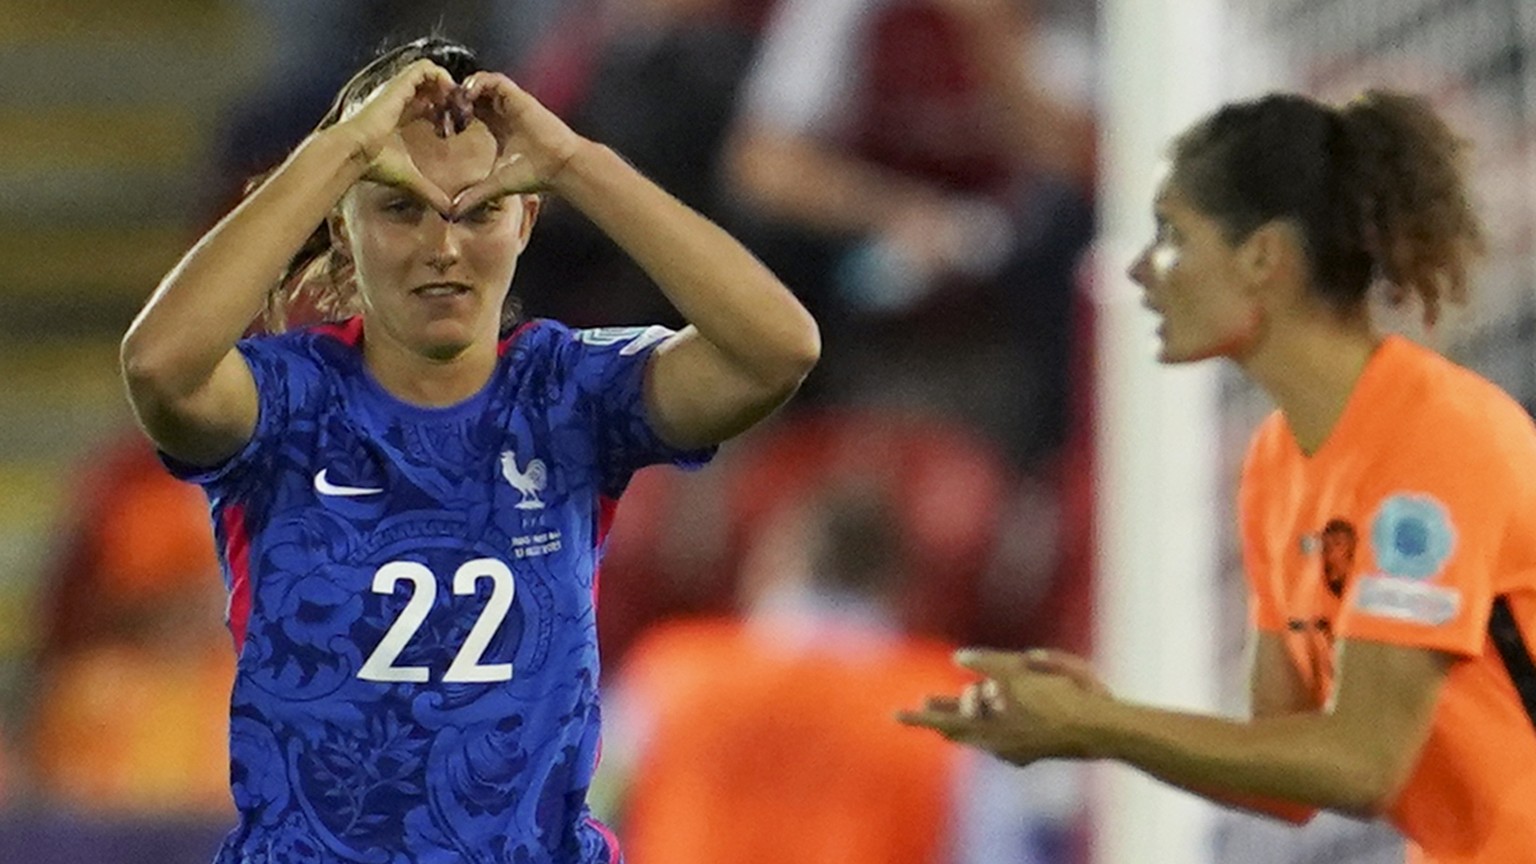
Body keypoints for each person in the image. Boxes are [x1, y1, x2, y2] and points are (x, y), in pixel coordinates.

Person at [119, 35, 818, 864]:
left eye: (479, 209)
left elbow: (779, 349)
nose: (442, 247)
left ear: (525, 218)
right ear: (344, 228)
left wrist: (572, 159)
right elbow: (158, 368)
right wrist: (341, 148)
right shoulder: (285, 407)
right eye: (399, 206)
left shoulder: (570, 394)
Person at [900, 89, 1536, 864]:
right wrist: (1101, 717)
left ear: (1264, 257)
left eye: (1172, 235)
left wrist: (1099, 727)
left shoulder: (1435, 443)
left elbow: (1365, 763)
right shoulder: (1277, 461)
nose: (1140, 270)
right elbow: (1285, 773)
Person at [598, 484, 1083, 864]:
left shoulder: (670, 671)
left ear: (774, 559)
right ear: (902, 586)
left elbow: (570, 818)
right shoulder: (948, 703)